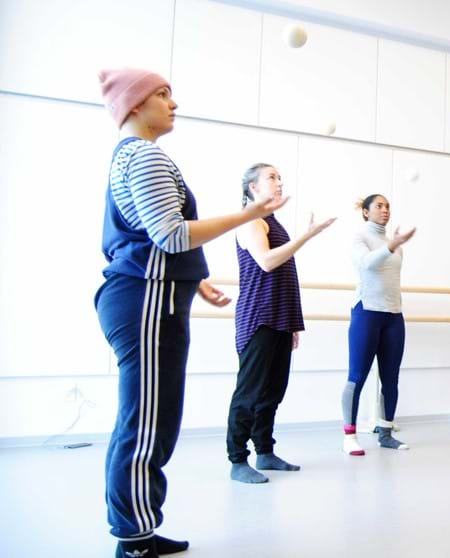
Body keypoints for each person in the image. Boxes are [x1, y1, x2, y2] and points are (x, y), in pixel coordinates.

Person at [95, 68, 286, 558]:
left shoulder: (135, 156)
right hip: (144, 299)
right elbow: (173, 234)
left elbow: (152, 234)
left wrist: (193, 279)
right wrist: (250, 213)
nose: (173, 103)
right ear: (135, 106)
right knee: (146, 422)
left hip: (149, 293)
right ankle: (133, 540)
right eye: (162, 95)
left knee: (153, 418)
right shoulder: (144, 155)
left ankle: (139, 528)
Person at [226, 163, 335, 483]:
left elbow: (284, 274)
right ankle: (237, 460)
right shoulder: (250, 221)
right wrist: (307, 235)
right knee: (249, 393)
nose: (278, 182)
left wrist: (291, 323)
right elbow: (268, 262)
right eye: (271, 178)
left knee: (273, 391)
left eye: (279, 178)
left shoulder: (271, 221)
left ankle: (265, 451)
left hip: (279, 318)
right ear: (252, 188)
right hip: (258, 318)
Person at [341, 195, 415, 455]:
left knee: (391, 378)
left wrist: (393, 243)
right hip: (367, 313)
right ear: (365, 211)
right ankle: (349, 435)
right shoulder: (360, 237)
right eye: (379, 206)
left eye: (387, 206)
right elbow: (367, 264)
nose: (385, 210)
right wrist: (393, 244)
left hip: (393, 314)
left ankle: (385, 432)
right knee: (357, 376)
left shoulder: (394, 243)